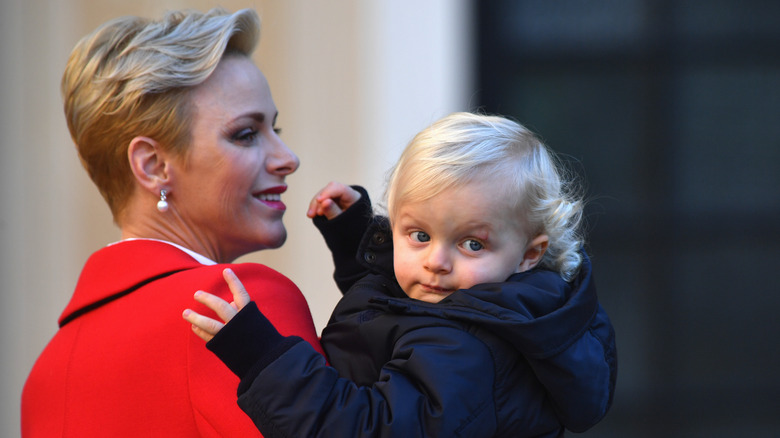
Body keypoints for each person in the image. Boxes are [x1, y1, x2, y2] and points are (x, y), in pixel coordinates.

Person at [184, 112, 618, 437]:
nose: (436, 262)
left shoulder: (466, 350)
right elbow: (393, 321)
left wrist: (262, 358)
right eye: (419, 234)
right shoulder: (468, 306)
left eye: (472, 244)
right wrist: (353, 233)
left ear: (529, 254)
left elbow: (368, 427)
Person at [21, 8, 326, 437]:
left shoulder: (45, 372)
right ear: (153, 165)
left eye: (274, 128)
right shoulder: (233, 309)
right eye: (246, 134)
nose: (287, 159)